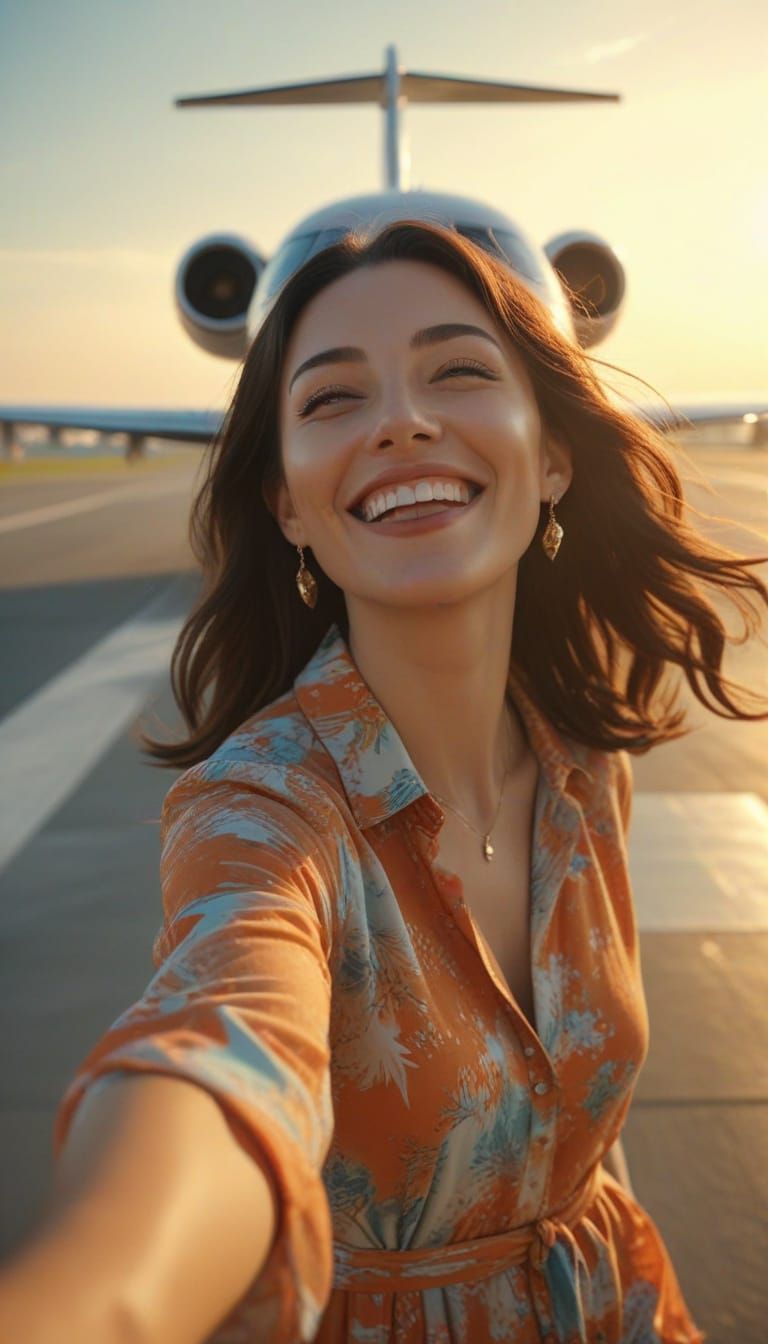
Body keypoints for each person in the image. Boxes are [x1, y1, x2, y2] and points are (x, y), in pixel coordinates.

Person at [2, 221, 766, 1344]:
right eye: (330, 400)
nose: (403, 420)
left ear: (552, 454)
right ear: (288, 505)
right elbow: (218, 1042)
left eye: (458, 369)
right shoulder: (260, 818)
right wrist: (103, 1297)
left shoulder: (584, 764)